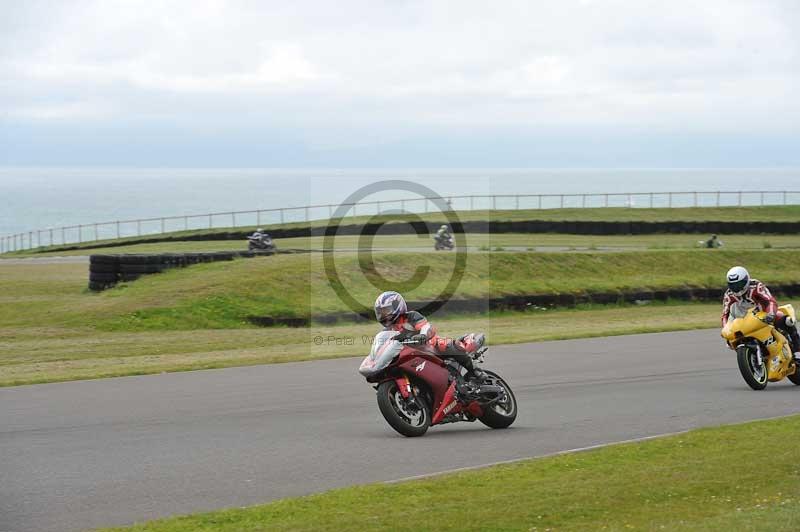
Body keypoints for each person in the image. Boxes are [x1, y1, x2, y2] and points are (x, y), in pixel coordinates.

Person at [373, 291, 486, 386]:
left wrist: (423, 335)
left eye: (386, 311)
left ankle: (475, 371)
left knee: (445, 344)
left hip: (430, 346)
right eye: (380, 313)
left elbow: (426, 327)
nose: (383, 316)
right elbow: (384, 346)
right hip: (411, 357)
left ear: (397, 306)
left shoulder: (411, 317)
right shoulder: (387, 332)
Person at [722, 266, 800, 361]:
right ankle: (752, 357)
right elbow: (725, 314)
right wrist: (726, 329)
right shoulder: (729, 295)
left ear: (746, 280)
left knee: (787, 321)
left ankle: (797, 351)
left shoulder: (756, 286)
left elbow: (770, 301)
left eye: (739, 284)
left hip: (763, 315)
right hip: (744, 322)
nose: (736, 288)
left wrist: (770, 314)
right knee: (731, 341)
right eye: (733, 285)